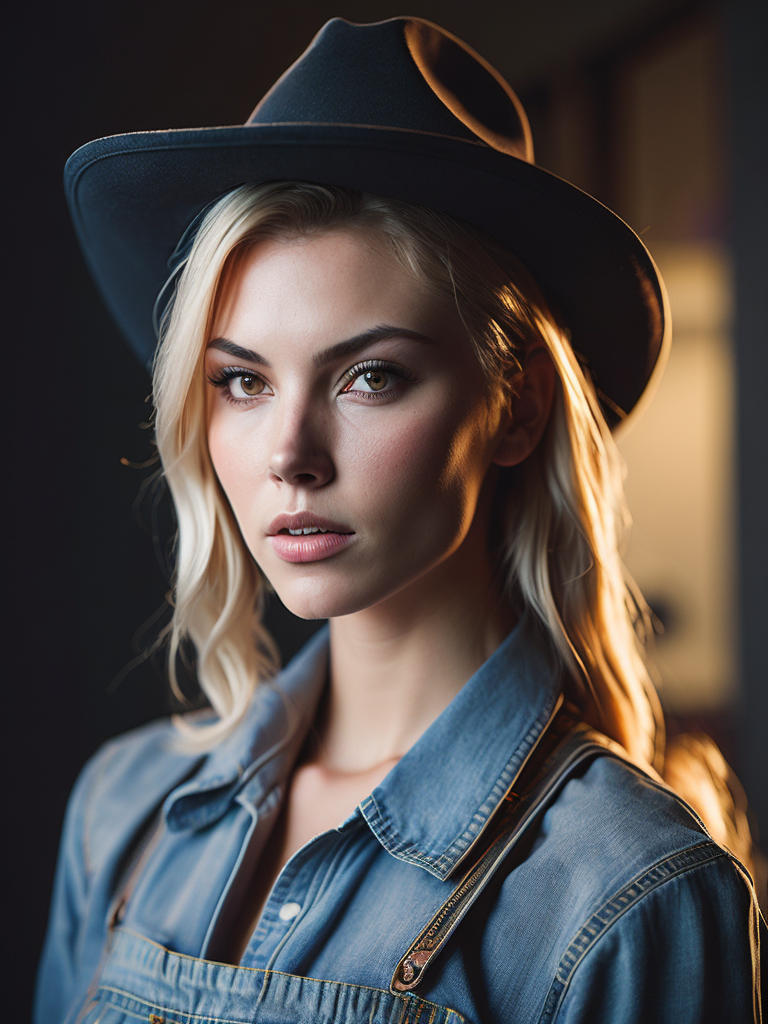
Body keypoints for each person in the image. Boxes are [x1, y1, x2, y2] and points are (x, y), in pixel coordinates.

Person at [37, 16, 763, 1024]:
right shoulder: (122, 812)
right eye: (242, 381)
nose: (290, 453)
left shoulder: (628, 892)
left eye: (370, 376)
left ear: (515, 406)